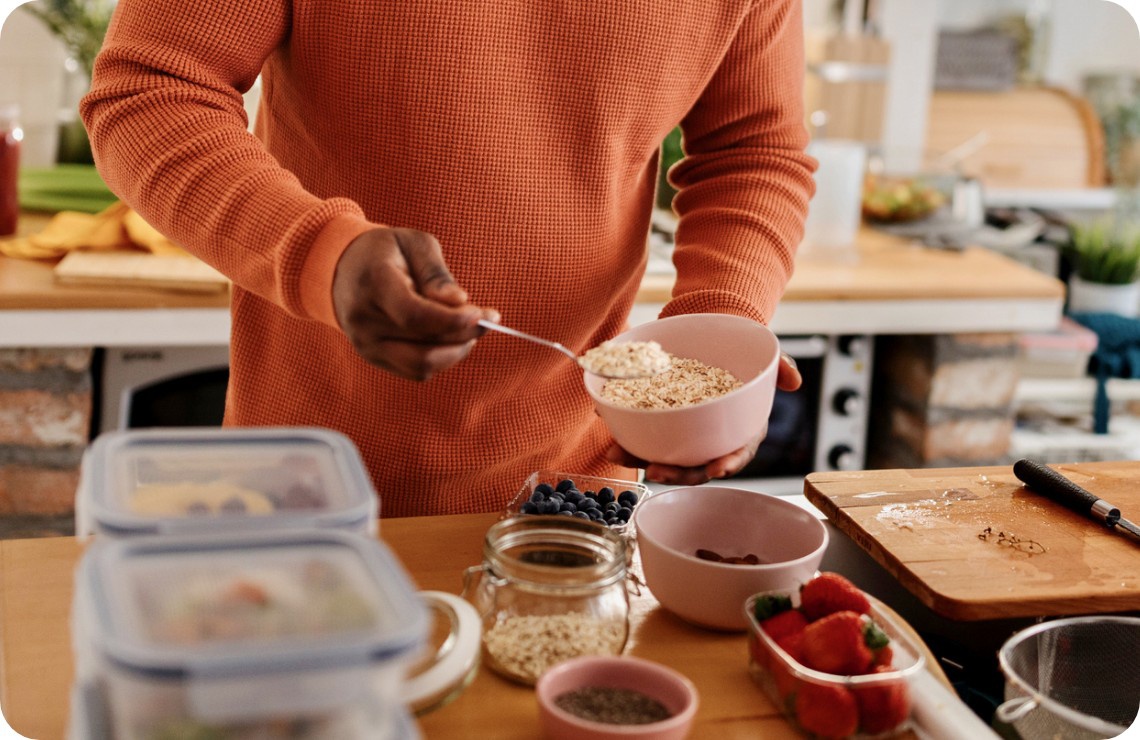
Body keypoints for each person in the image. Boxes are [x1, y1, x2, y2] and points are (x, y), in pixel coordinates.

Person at [81, 1, 815, 517]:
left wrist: (715, 337)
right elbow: (151, 89)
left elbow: (755, 150)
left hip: (572, 498)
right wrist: (319, 256)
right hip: (303, 483)